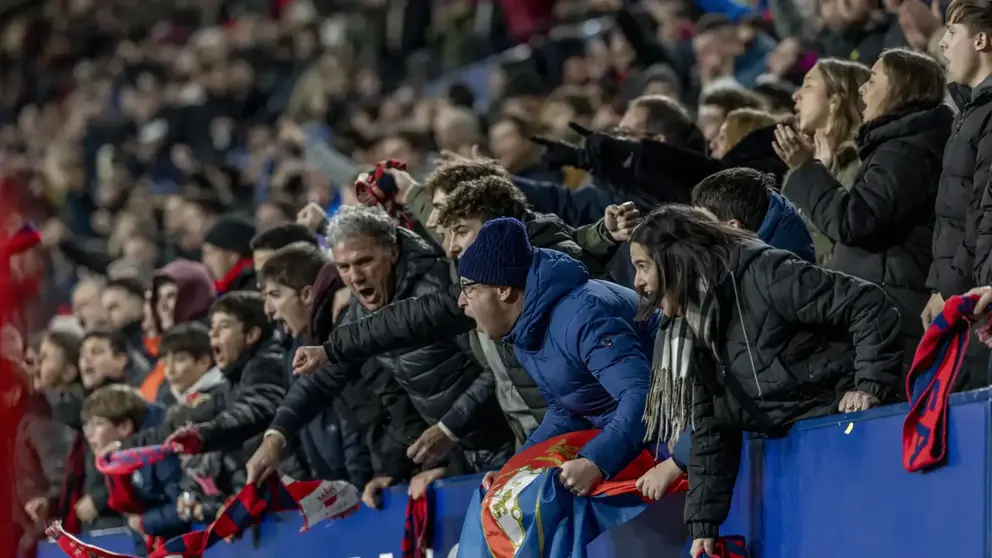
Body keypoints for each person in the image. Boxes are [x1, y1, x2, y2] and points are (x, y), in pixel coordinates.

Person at [628, 205, 903, 556]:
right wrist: (704, 525)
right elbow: (712, 426)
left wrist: (868, 386)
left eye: (643, 266)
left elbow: (868, 304)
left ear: (676, 260)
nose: (637, 282)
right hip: (806, 460)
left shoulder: (765, 273)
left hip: (850, 439)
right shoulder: (694, 324)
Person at [251, 205, 509, 508]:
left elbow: (497, 369)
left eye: (364, 262)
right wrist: (275, 437)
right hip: (463, 459)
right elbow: (321, 380)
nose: (355, 277)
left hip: (507, 443)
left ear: (393, 253)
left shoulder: (438, 286)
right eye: (344, 267)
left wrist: (449, 428)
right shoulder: (359, 313)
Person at [777, 47, 952, 372]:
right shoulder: (896, 145)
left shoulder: (904, 151)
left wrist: (807, 170)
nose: (862, 89)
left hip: (892, 309)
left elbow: (855, 221)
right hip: (880, 305)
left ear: (900, 87)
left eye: (872, 78)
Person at [455, 217, 658, 496]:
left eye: (469, 288)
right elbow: (567, 410)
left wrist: (595, 462)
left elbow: (642, 396)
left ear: (503, 290)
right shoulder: (526, 327)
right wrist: (512, 471)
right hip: (639, 437)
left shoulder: (583, 314)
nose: (461, 301)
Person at [257, 244, 372, 489]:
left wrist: (355, 488)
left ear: (307, 294)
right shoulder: (295, 347)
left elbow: (355, 417)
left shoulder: (340, 331)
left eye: (275, 295)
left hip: (362, 487)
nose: (268, 310)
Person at [927, 0, 992, 391]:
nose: (943, 43)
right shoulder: (971, 111)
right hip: (965, 293)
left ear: (981, 41)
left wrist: (950, 289)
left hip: (977, 299)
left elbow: (984, 210)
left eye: (952, 33)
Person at [81, 385, 189, 550]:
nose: (90, 434)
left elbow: (185, 506)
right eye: (87, 426)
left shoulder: (161, 455)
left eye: (98, 424)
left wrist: (145, 522)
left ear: (125, 427)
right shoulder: (115, 462)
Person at [786, 57, 871, 265]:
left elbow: (841, 246)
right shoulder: (798, 163)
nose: (796, 95)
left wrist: (818, 177)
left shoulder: (860, 163)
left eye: (808, 85)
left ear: (835, 101)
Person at [691, 167, 815, 262]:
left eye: (704, 223)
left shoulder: (771, 269)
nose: (695, 229)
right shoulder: (775, 211)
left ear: (733, 226)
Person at [201, 215, 257, 294]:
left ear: (232, 257)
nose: (205, 261)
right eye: (205, 253)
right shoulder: (215, 289)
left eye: (212, 253)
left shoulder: (249, 286)